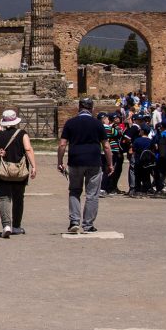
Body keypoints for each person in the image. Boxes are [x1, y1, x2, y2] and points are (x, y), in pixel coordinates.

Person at [57, 98, 113, 234]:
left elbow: (62, 144)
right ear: (91, 108)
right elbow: (106, 146)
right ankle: (88, 224)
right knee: (92, 194)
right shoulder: (97, 124)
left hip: (75, 160)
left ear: (79, 107)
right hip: (94, 161)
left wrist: (60, 161)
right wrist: (110, 164)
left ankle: (74, 221)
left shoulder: (71, 123)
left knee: (74, 191)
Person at [0, 109, 37, 237]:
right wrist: (34, 166)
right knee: (18, 198)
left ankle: (6, 225)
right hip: (20, 170)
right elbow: (28, 149)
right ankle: (16, 226)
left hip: (2, 171)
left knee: (4, 198)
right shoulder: (22, 134)